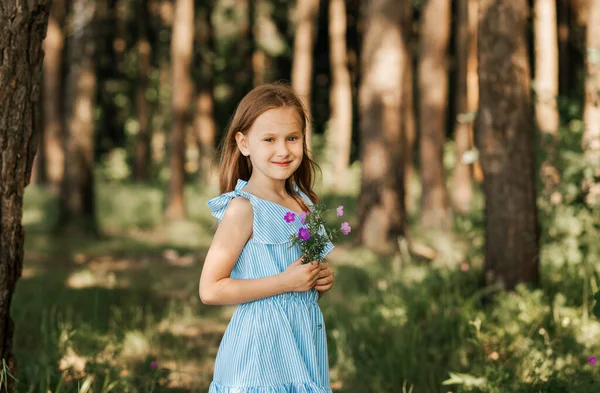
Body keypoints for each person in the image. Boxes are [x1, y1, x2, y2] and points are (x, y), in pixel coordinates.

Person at [199, 82, 337, 393]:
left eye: (292, 138)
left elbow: (297, 283)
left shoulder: (303, 203)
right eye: (269, 139)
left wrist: (318, 280)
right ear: (244, 143)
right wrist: (286, 282)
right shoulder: (243, 208)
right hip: (261, 352)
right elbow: (210, 289)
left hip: (303, 343)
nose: (283, 150)